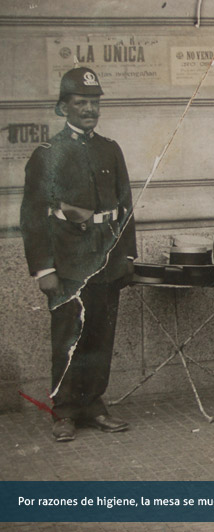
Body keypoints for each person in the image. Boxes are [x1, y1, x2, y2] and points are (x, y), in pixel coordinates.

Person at [19, 67, 137, 442]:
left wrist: (128, 257)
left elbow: (125, 205)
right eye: (81, 102)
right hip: (69, 266)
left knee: (101, 337)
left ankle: (93, 404)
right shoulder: (48, 154)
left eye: (94, 102)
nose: (89, 109)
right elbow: (33, 216)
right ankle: (65, 411)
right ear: (63, 107)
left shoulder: (110, 149)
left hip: (106, 263)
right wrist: (43, 268)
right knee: (69, 338)